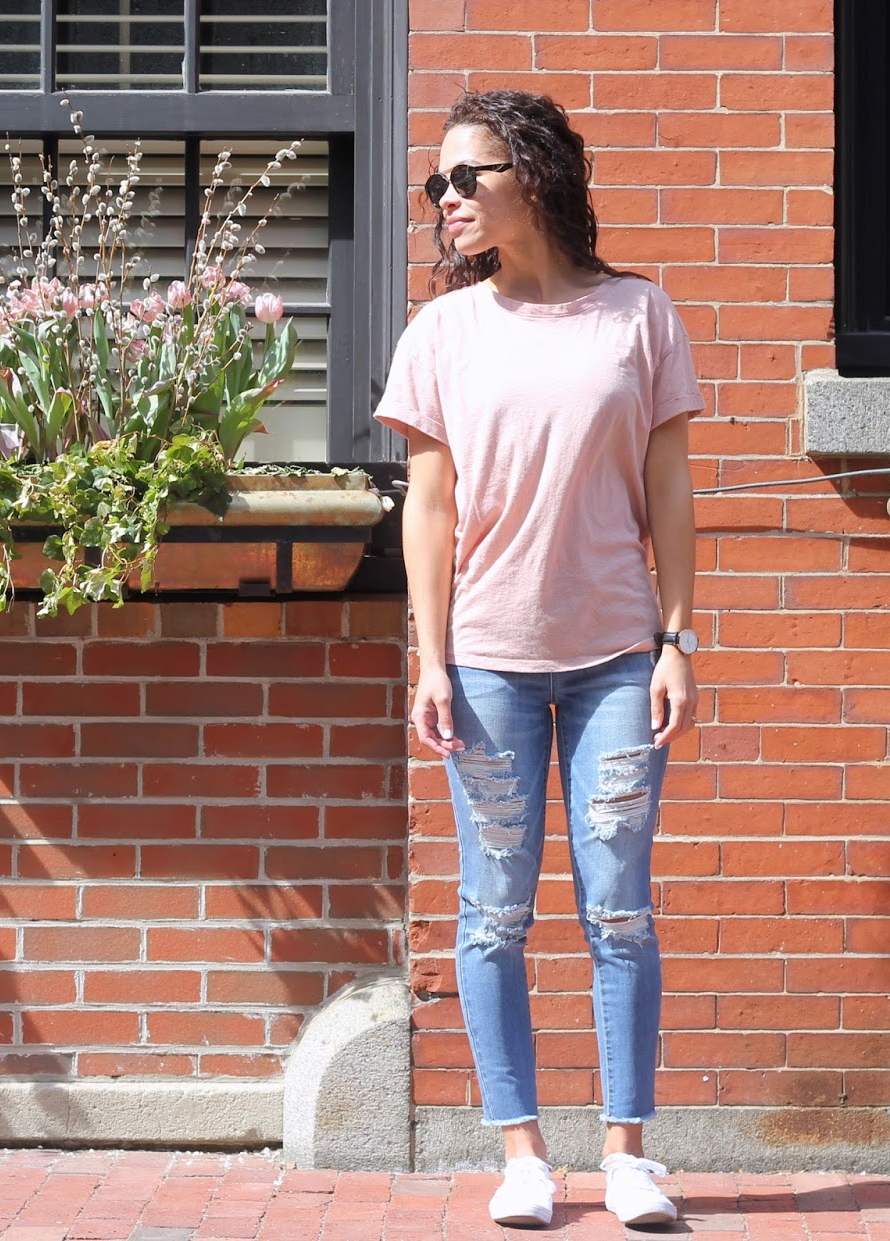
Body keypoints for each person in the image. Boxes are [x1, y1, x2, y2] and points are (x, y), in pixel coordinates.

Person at [373, 90, 701, 1228]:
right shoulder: (443, 334)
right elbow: (429, 509)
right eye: (437, 185)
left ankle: (628, 1156)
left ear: (537, 174)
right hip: (487, 663)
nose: (447, 200)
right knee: (491, 912)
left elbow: (669, 490)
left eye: (468, 177)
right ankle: (522, 1153)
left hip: (617, 655)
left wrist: (676, 639)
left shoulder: (638, 316)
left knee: (619, 909)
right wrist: (430, 660)